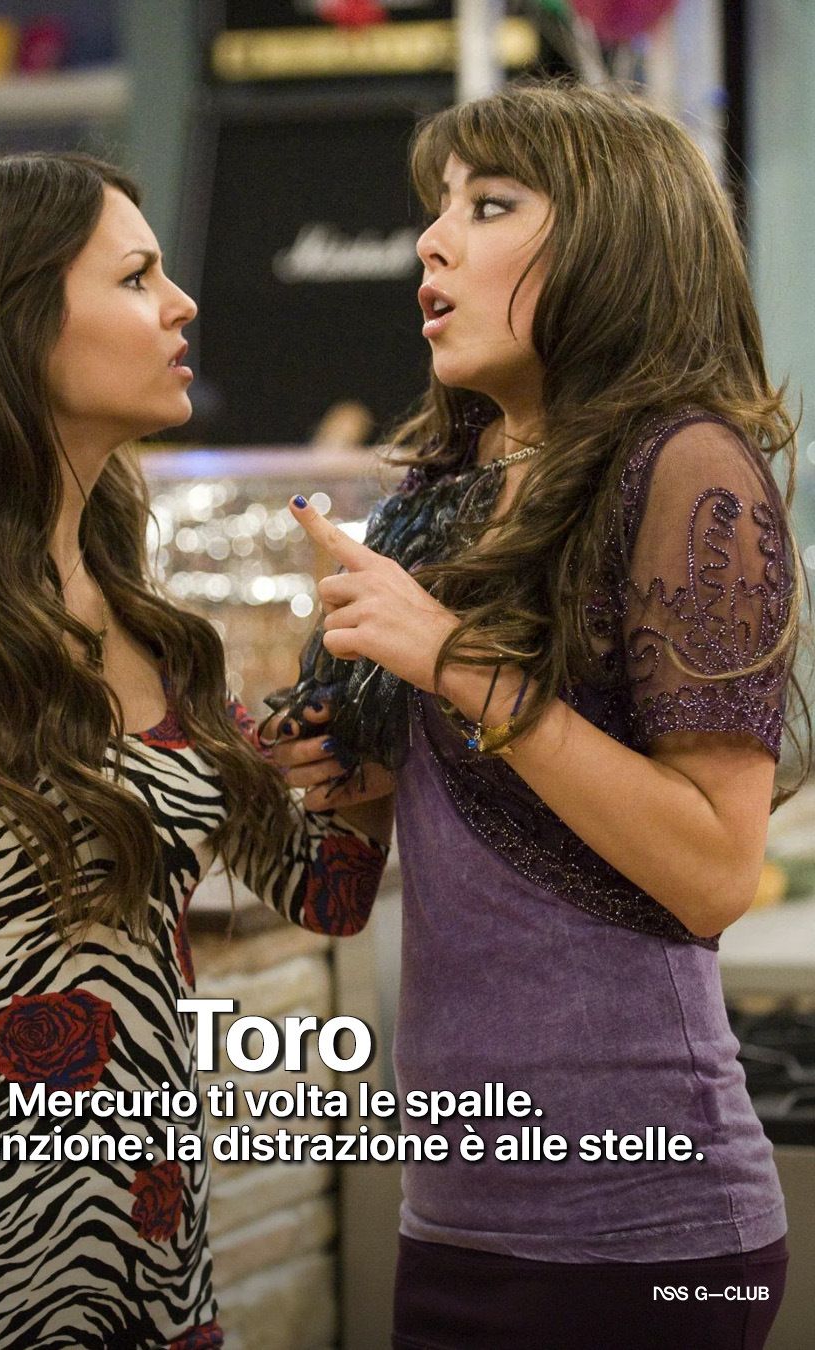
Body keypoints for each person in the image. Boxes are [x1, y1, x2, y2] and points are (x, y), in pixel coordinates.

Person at [0, 151, 390, 1350]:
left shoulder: (152, 628)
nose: (183, 303)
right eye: (135, 277)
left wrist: (372, 724)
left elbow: (326, 893)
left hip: (160, 1291)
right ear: (13, 327)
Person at [272, 82, 806, 1349]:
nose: (431, 241)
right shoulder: (440, 495)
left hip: (646, 1225)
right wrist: (329, 767)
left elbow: (713, 871)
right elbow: (377, 872)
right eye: (438, 208)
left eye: (490, 205)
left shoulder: (686, 463)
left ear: (613, 240)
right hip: (455, 1211)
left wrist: (455, 664)